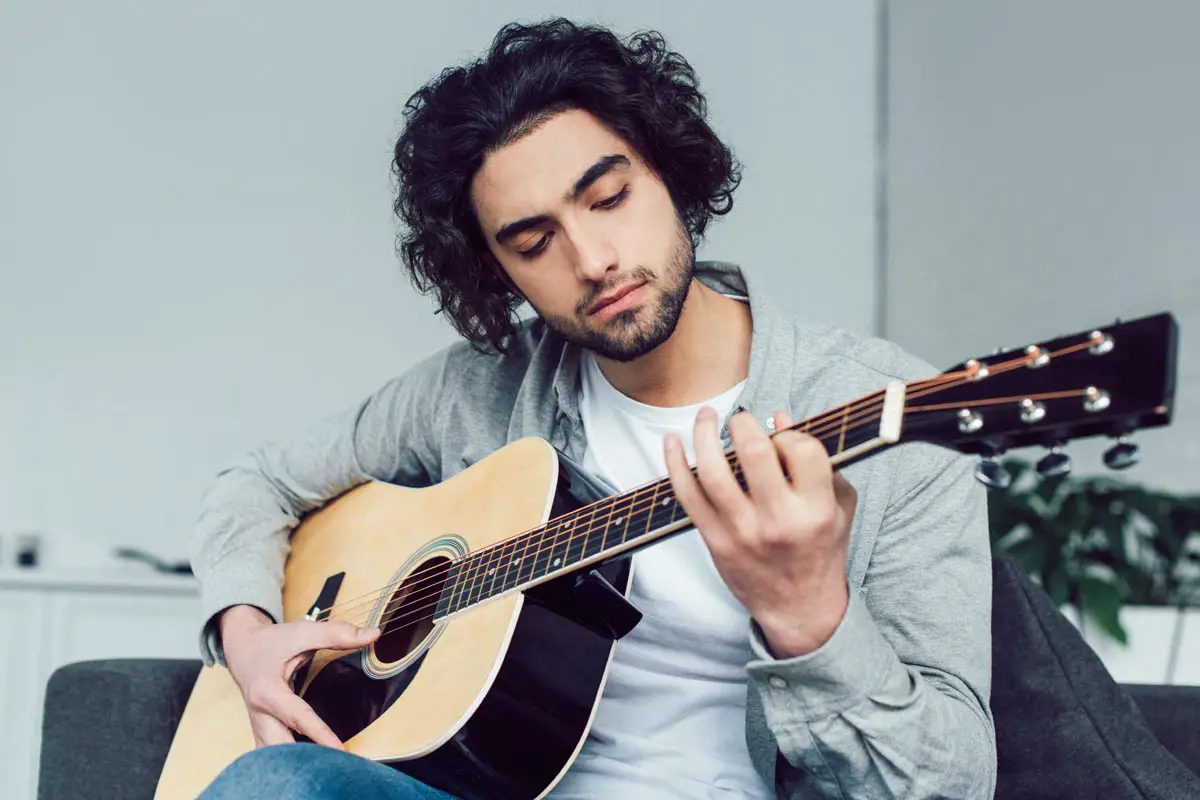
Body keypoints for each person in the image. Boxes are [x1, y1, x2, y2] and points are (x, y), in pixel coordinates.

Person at [192, 18, 996, 799]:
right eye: (534, 243)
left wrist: (808, 614)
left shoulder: (887, 417)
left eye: (608, 198)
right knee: (276, 782)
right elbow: (254, 484)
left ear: (671, 175)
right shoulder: (474, 390)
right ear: (497, 271)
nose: (593, 260)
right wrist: (250, 638)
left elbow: (954, 785)